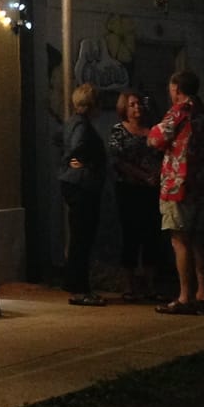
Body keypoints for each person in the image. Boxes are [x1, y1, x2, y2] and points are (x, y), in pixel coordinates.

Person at [148, 70, 204, 315]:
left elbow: (156, 139)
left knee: (180, 239)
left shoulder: (178, 112)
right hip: (201, 182)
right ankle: (203, 294)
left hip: (178, 183)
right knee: (199, 240)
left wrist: (150, 134)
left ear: (176, 88)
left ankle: (185, 297)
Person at [108, 88, 161, 303]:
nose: (137, 107)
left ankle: (150, 285)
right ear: (124, 108)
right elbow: (118, 160)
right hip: (129, 189)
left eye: (139, 103)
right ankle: (129, 286)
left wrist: (155, 175)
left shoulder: (152, 130)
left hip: (151, 189)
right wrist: (142, 176)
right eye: (132, 104)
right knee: (131, 235)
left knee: (151, 237)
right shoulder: (119, 131)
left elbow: (162, 154)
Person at [58, 83, 107, 306]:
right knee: (82, 237)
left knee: (79, 236)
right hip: (82, 185)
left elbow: (58, 139)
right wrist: (81, 160)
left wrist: (68, 158)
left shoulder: (72, 122)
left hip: (73, 183)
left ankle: (74, 283)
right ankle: (80, 289)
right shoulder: (82, 125)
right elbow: (77, 145)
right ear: (91, 104)